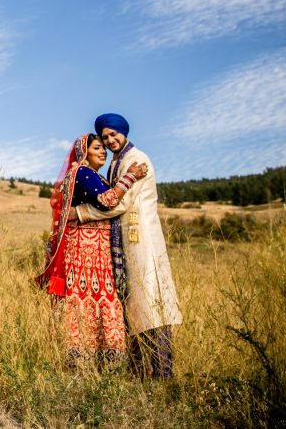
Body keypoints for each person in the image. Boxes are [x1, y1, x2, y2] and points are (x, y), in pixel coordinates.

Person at [74, 113, 182, 379]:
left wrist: (82, 213)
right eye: (106, 136)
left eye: (114, 134)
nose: (110, 140)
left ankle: (161, 374)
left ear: (124, 132)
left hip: (139, 237)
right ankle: (140, 372)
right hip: (127, 238)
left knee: (149, 304)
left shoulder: (136, 160)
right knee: (135, 306)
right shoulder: (117, 162)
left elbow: (118, 204)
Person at [36, 133, 148, 367]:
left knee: (94, 296)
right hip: (85, 249)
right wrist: (130, 177)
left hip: (93, 247)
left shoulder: (87, 174)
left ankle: (92, 359)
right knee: (91, 296)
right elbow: (108, 200)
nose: (103, 151)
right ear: (84, 152)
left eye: (103, 148)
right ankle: (87, 360)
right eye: (97, 147)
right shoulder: (82, 172)